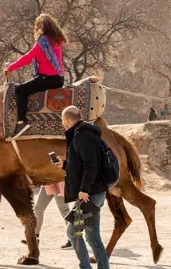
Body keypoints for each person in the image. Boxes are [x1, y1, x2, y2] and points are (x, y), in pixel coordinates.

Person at [54, 106, 110, 269]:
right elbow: (81, 165)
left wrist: (84, 189)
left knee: (73, 232)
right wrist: (65, 165)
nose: (62, 124)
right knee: (92, 237)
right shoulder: (85, 134)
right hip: (94, 191)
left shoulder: (82, 136)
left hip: (88, 194)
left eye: (62, 121)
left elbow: (91, 165)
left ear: (67, 120)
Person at [5, 14, 68, 135]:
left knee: (20, 90)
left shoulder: (42, 43)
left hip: (48, 79)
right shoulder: (57, 40)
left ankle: (21, 122)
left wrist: (10, 67)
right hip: (59, 79)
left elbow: (28, 58)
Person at [27, 184, 73, 250]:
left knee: (65, 213)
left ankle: (72, 239)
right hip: (47, 184)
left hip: (59, 185)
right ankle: (35, 238)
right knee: (38, 209)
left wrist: (63, 188)